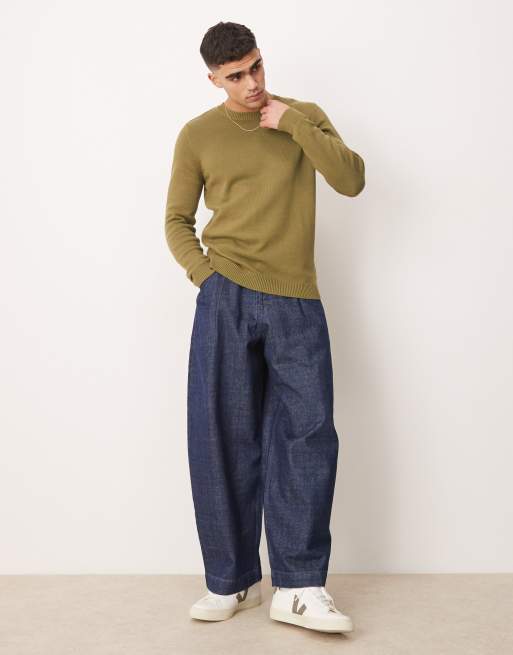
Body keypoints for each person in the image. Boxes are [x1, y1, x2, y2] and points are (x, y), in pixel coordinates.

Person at [164, 21, 365, 634]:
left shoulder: (303, 116)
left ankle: (299, 587)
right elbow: (176, 220)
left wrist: (293, 124)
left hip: (296, 299)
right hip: (225, 295)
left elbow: (352, 180)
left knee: (308, 437)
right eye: (235, 76)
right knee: (221, 438)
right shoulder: (198, 135)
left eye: (255, 67)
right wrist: (206, 278)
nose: (251, 83)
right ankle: (233, 580)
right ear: (213, 79)